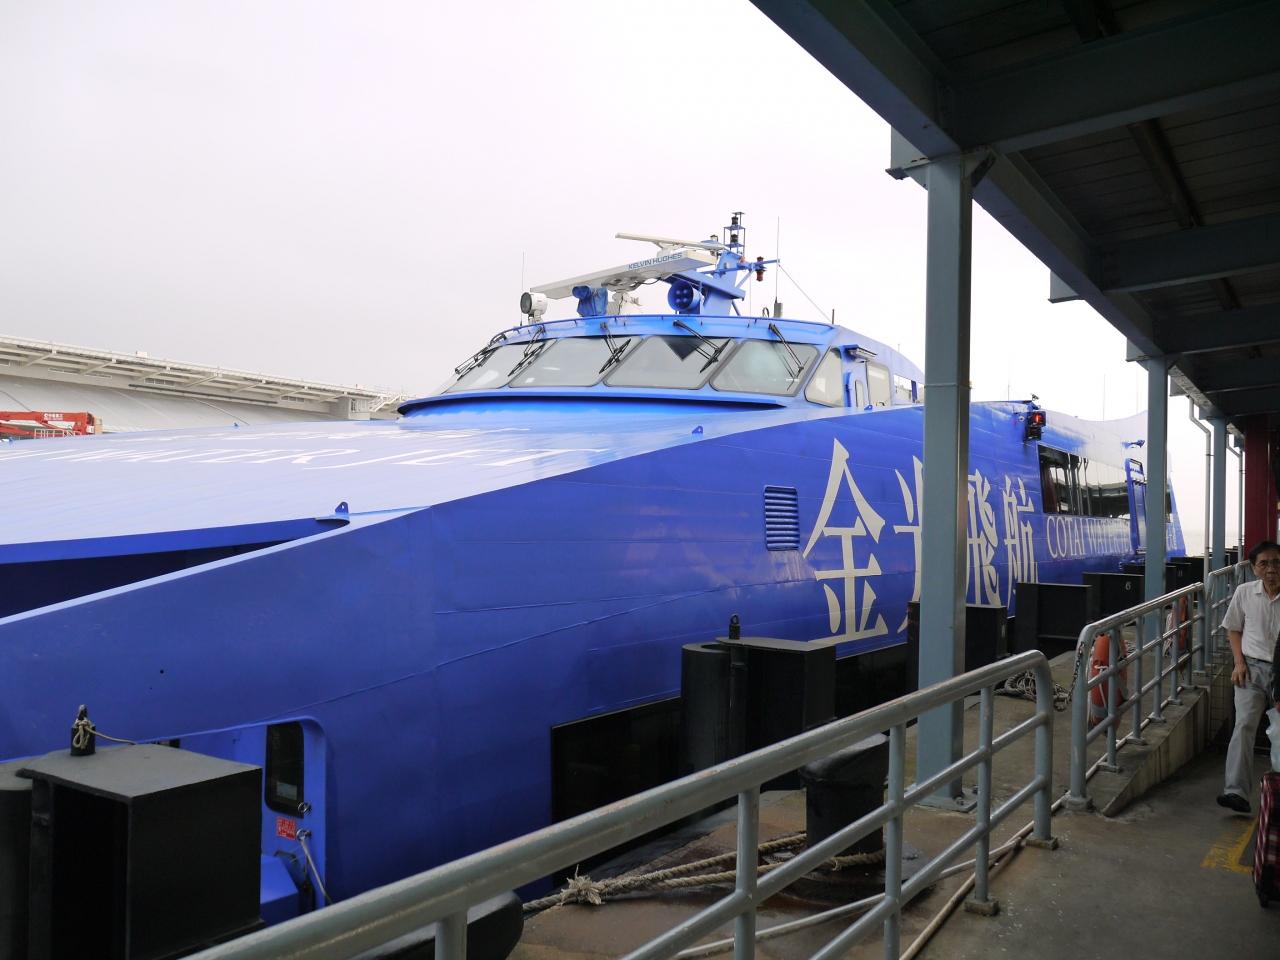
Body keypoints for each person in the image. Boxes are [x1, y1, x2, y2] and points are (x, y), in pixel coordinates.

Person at [1218, 540, 1280, 813]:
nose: (1271, 569)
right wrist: (1238, 662)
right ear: (1254, 568)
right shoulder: (1244, 593)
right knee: (1243, 725)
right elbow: (1233, 628)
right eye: (1264, 563)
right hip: (1251, 669)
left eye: (1276, 562)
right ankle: (1235, 791)